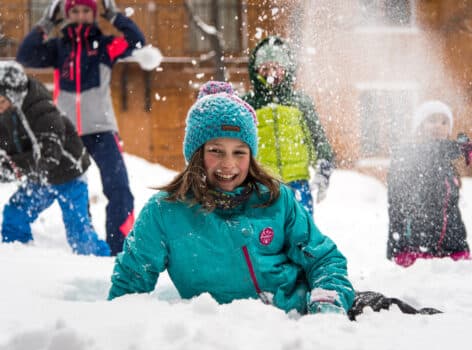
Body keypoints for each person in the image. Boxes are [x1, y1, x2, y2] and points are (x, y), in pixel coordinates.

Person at [108, 81, 354, 316]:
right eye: (215, 151)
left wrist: (326, 303)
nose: (229, 164)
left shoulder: (276, 200)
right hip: (219, 337)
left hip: (291, 326)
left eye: (239, 152)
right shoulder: (165, 211)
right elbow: (130, 285)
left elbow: (324, 258)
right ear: (196, 154)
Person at [16, 0, 146, 256]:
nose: (81, 16)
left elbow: (137, 41)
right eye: (74, 11)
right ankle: (85, 247)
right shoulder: (57, 48)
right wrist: (48, 23)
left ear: (96, 13)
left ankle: (118, 248)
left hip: (102, 129)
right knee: (74, 188)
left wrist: (114, 15)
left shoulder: (106, 46)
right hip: (67, 131)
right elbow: (25, 54)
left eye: (87, 10)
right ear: (66, 15)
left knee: (118, 187)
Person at [0, 60, 109, 256]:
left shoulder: (42, 110)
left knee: (80, 236)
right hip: (40, 178)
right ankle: (18, 257)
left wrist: (13, 167)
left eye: (1, 101)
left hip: (69, 175)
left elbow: (49, 155)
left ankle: (103, 268)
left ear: (14, 96)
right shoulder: (6, 113)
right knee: (14, 216)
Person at [242, 36, 334, 215]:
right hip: (262, 186)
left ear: (287, 69)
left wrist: (324, 170)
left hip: (297, 185)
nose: (271, 73)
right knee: (265, 238)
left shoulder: (300, 102)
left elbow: (318, 139)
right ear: (256, 71)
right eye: (265, 68)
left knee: (302, 236)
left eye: (276, 67)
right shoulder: (248, 104)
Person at [387, 100, 472, 267]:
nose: (438, 126)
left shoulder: (447, 165)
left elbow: (451, 211)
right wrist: (459, 148)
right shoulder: (409, 154)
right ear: (419, 127)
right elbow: (396, 206)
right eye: (432, 120)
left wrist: (460, 246)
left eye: (444, 122)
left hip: (450, 249)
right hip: (416, 249)